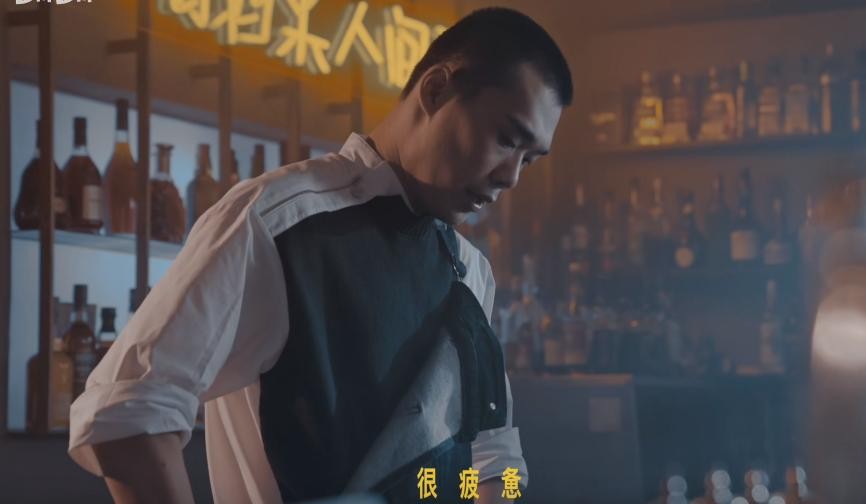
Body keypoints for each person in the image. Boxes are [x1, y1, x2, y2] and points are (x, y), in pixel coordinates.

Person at [67, 7, 572, 504]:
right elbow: (128, 412)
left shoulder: (471, 272)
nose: (511, 176)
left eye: (528, 158)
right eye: (506, 139)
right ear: (436, 90)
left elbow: (494, 456)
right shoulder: (277, 222)